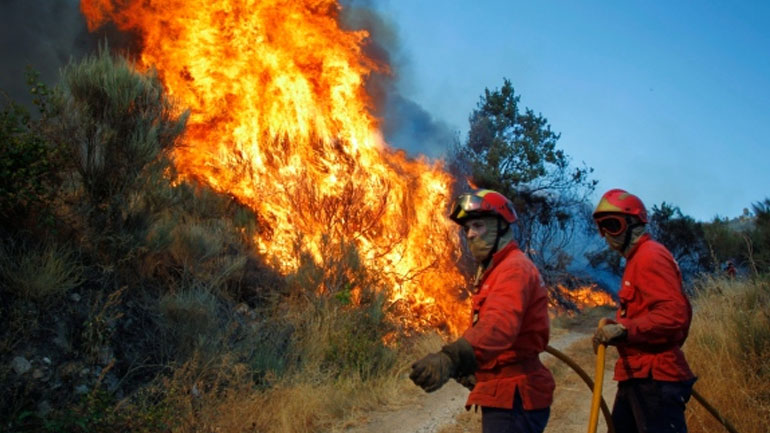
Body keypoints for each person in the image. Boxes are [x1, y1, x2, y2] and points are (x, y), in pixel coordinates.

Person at [409, 189, 554, 433]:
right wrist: (473, 367)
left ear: (501, 226)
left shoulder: (514, 269)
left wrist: (452, 358)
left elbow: (498, 327)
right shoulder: (496, 270)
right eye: (467, 228)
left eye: (478, 225)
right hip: (505, 392)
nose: (470, 234)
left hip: (515, 395)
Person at [591, 188, 696, 433]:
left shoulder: (650, 255)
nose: (607, 235)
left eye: (613, 225)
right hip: (638, 376)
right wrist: (616, 328)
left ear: (633, 224)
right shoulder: (636, 259)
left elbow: (674, 315)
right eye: (602, 227)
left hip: (655, 379)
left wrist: (624, 330)